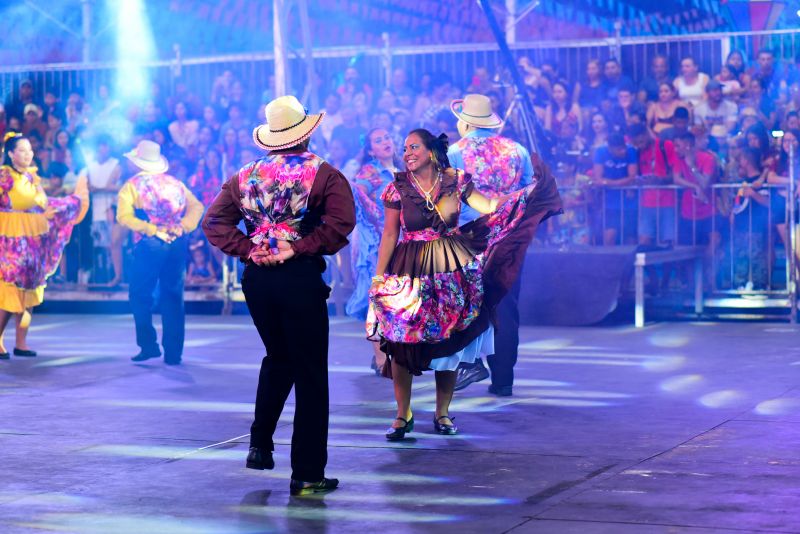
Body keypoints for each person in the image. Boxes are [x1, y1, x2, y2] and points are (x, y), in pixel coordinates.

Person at [203, 95, 355, 496]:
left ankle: (259, 443)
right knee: (309, 372)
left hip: (257, 279)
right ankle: (307, 473)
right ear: (305, 132)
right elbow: (341, 224)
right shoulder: (325, 174)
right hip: (298, 277)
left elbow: (213, 221)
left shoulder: (245, 175)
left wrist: (250, 248)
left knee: (279, 357)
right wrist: (297, 247)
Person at [368, 127, 560, 441]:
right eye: (404, 149)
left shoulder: (456, 180)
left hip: (450, 269)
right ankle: (403, 415)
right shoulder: (397, 187)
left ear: (430, 151)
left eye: (413, 147)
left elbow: (488, 207)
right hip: (409, 269)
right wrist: (379, 278)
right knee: (401, 342)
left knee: (449, 344)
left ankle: (442, 413)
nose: (406, 153)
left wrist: (521, 198)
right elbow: (390, 235)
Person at [445, 94, 535, 396]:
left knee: (464, 303)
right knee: (505, 308)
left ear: (466, 121)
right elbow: (529, 191)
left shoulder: (455, 152)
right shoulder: (517, 150)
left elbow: (448, 198)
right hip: (510, 240)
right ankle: (503, 380)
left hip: (470, 240)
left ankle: (469, 364)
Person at [0, 132, 88, 360]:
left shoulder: (32, 177)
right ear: (10, 154)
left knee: (29, 290)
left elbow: (45, 204)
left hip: (33, 240)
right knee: (10, 292)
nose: (28, 154)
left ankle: (21, 342)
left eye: (30, 150)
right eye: (22, 150)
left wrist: (72, 202)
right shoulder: (4, 177)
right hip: (10, 240)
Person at [116, 140, 203, 365]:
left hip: (150, 243)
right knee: (173, 296)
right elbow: (197, 207)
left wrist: (152, 229)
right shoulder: (175, 183)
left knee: (139, 295)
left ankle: (148, 345)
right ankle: (173, 353)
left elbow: (124, 217)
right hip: (176, 242)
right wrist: (182, 226)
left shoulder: (132, 185)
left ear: (137, 163)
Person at [345, 128, 400, 373]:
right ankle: (379, 357)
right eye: (378, 140)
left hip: (403, 242)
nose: (385, 142)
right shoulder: (370, 172)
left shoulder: (402, 170)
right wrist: (372, 222)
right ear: (370, 150)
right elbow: (356, 195)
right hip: (379, 243)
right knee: (376, 298)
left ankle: (389, 349)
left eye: (386, 137)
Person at [80, 135, 125, 285]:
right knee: (101, 246)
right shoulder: (90, 166)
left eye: (105, 146)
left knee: (114, 245)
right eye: (100, 146)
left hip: (112, 210)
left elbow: (116, 186)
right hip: (97, 212)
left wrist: (99, 189)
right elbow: (84, 185)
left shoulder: (116, 164)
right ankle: (103, 277)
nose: (102, 149)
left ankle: (116, 276)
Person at [592, 132, 638, 245]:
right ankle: (608, 261)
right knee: (610, 235)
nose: (623, 151)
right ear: (610, 148)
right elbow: (598, 179)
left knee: (630, 236)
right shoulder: (600, 152)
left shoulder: (631, 150)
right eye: (619, 149)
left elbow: (632, 176)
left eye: (624, 148)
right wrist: (621, 183)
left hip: (629, 201)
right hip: (610, 202)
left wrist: (609, 183)